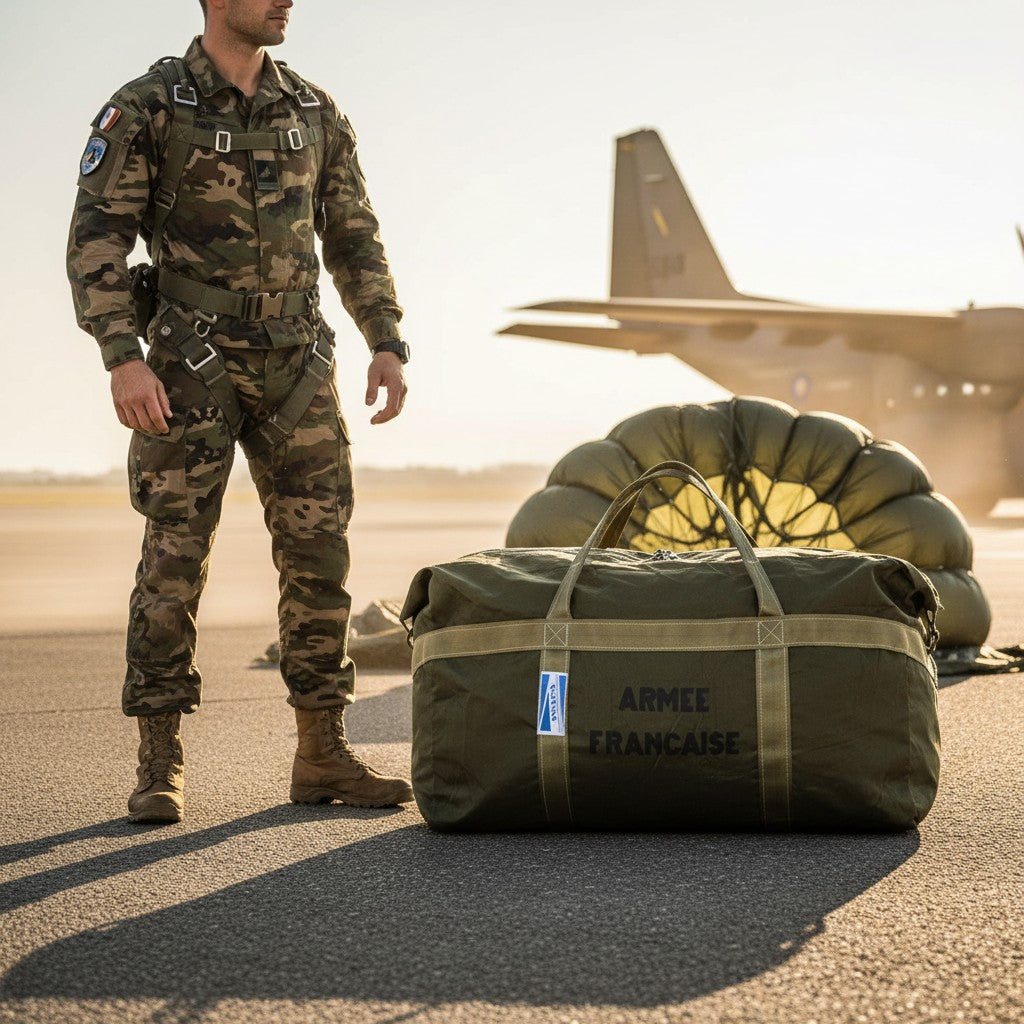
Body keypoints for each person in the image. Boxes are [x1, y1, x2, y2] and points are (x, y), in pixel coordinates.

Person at [67, 0, 414, 823]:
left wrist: (386, 339)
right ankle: (159, 760)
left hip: (298, 361)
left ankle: (321, 753)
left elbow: (353, 234)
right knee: (174, 559)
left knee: (319, 557)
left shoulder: (314, 111)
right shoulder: (148, 105)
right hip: (189, 362)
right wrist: (121, 357)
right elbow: (98, 238)